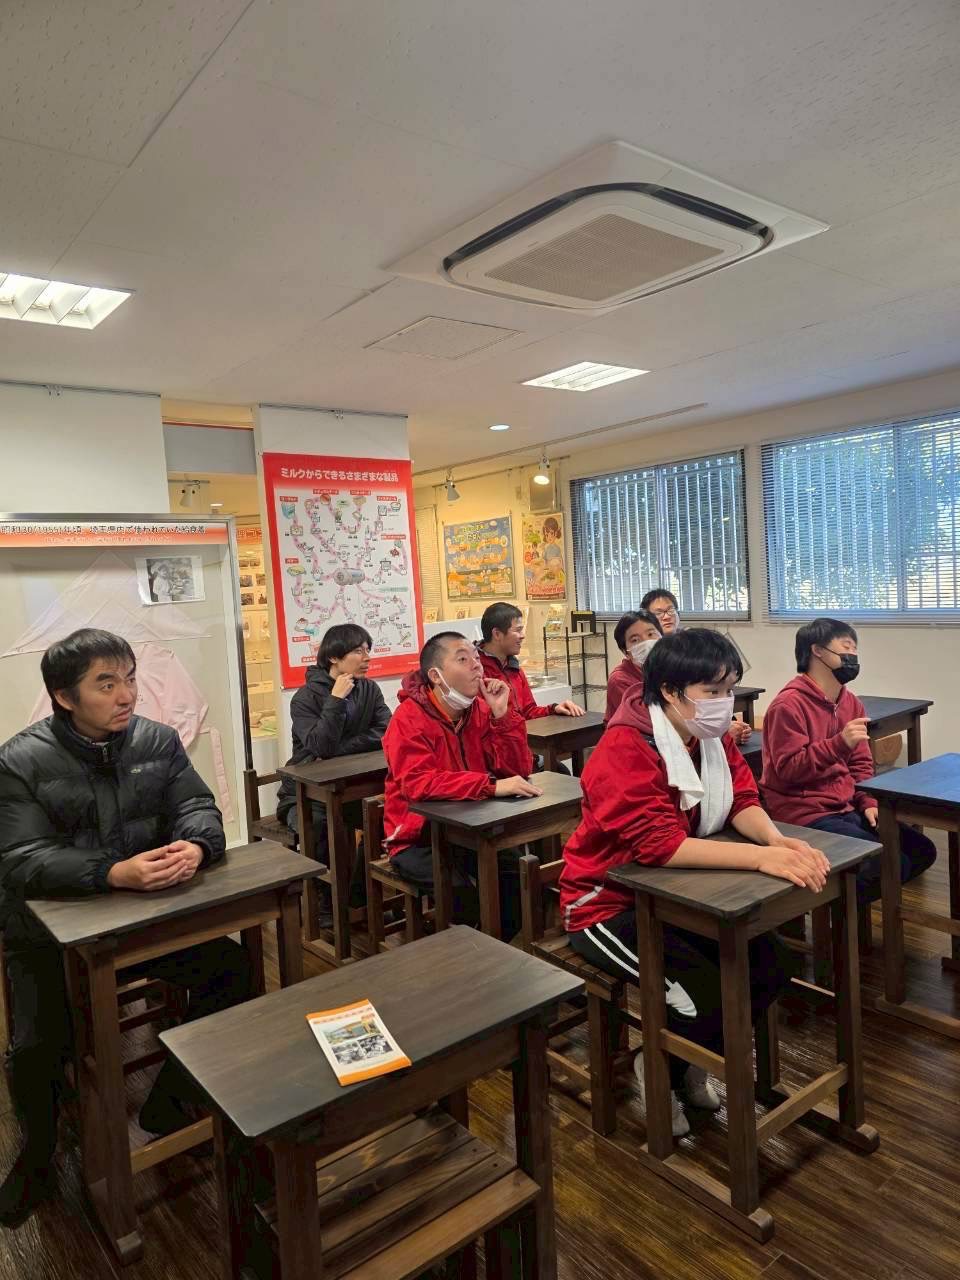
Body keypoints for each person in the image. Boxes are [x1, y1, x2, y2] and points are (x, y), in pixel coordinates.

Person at [0, 629, 251, 1225]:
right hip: (46, 939)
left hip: (143, 920)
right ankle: (37, 1154)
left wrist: (197, 845)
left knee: (234, 971)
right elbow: (19, 858)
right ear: (65, 697)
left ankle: (172, 1096)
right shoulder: (19, 760)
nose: (126, 695)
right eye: (106, 684)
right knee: (36, 1046)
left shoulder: (156, 739)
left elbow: (196, 805)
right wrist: (111, 872)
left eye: (130, 679)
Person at [560, 629, 826, 1136]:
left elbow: (743, 799)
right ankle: (655, 1068)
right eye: (712, 691)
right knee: (697, 993)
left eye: (729, 689)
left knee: (770, 964)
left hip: (678, 897)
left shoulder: (707, 735)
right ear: (669, 691)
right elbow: (659, 846)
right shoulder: (624, 745)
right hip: (606, 905)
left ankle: (687, 1065)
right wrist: (760, 860)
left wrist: (776, 841)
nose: (725, 703)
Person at [761, 617, 936, 904]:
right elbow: (788, 770)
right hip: (805, 813)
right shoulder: (788, 705)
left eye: (855, 649)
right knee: (887, 864)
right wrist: (838, 744)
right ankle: (829, 910)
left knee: (922, 851)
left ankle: (842, 899)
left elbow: (861, 764)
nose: (853, 656)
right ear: (818, 651)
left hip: (846, 805)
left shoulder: (850, 702)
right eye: (846, 647)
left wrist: (868, 802)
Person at [382, 631, 539, 939]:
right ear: (436, 676)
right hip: (418, 835)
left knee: (518, 881)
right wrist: (489, 786)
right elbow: (418, 784)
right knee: (463, 896)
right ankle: (468, 954)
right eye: (463, 659)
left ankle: (492, 952)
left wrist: (502, 716)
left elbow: (519, 770)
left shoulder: (479, 710)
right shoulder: (407, 719)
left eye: (476, 658)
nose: (476, 666)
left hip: (471, 828)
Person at [275, 624, 390, 921]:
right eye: (358, 651)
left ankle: (358, 898)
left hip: (352, 787)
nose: (367, 657)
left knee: (382, 819)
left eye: (368, 650)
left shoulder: (369, 689)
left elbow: (385, 731)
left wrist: (341, 749)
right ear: (334, 657)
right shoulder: (304, 698)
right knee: (323, 828)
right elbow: (319, 745)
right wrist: (336, 700)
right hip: (303, 795)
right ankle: (323, 904)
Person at [476, 602, 584, 718]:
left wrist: (554, 709)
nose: (522, 635)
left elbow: (528, 712)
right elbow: (480, 723)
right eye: (518, 630)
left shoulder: (514, 668)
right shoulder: (475, 672)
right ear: (497, 634)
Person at [604, 610, 663, 723]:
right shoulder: (619, 680)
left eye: (651, 634)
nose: (646, 642)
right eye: (635, 640)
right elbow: (647, 719)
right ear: (625, 652)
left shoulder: (671, 668)